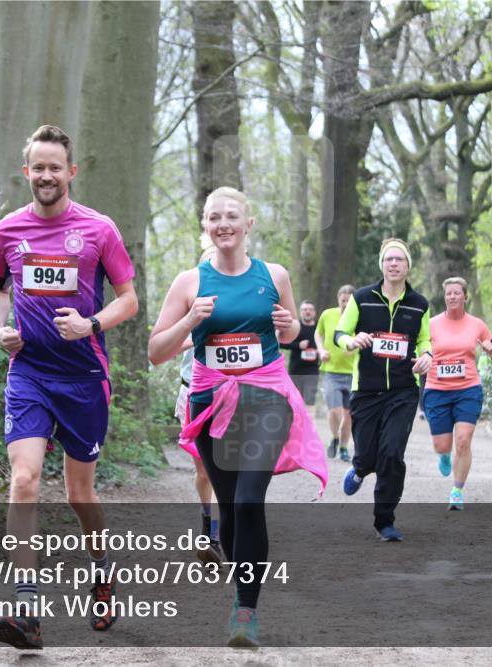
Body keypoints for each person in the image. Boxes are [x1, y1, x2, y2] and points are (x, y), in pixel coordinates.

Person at [148, 187, 327, 648]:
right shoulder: (189, 282)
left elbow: (289, 332)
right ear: (205, 225)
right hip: (211, 402)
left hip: (265, 398)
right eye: (214, 217)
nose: (223, 224)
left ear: (249, 224)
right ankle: (242, 578)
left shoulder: (274, 275)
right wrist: (190, 321)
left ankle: (245, 609)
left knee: (249, 501)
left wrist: (290, 327)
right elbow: (156, 352)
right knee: (228, 507)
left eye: (231, 216)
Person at [0, 125, 138, 649]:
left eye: (55, 167)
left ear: (70, 172)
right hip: (29, 371)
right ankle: (27, 610)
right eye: (38, 167)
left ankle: (102, 570)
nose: (46, 175)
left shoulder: (98, 229)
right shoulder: (8, 230)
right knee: (24, 479)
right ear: (25, 171)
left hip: (83, 377)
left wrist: (91, 324)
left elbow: (129, 300)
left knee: (79, 493)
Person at [334, 238, 431, 542]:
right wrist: (350, 341)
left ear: (407, 266)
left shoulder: (419, 304)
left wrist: (427, 355)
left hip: (404, 390)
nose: (393, 264)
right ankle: (360, 469)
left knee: (392, 453)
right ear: (382, 265)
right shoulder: (362, 298)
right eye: (388, 259)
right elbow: (340, 332)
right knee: (367, 455)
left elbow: (424, 339)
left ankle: (385, 521)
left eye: (399, 259)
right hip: (366, 389)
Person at [423, 277, 492, 510]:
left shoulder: (476, 325)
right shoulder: (431, 324)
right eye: (448, 293)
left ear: (465, 296)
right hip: (437, 390)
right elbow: (420, 349)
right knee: (442, 445)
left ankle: (457, 491)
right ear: (444, 297)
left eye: (457, 293)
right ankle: (444, 455)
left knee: (463, 440)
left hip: (468, 389)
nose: (452, 296)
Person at [174, 246, 225, 565]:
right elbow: (166, 344)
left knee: (223, 468)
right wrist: (197, 331)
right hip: (192, 392)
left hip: (229, 395)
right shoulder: (188, 303)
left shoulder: (242, 306)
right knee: (204, 471)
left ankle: (216, 536)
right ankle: (208, 522)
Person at [314, 285, 357, 461]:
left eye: (349, 301)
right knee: (335, 410)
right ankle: (336, 437)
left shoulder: (359, 317)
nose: (345, 304)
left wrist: (354, 347)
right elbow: (318, 333)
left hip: (353, 374)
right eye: (343, 300)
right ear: (338, 299)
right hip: (331, 372)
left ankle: (343, 447)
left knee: (348, 414)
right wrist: (321, 350)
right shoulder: (328, 314)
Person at [280, 300, 320, 407]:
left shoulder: (319, 328)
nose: (307, 312)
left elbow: (327, 343)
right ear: (300, 312)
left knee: (310, 401)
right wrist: (298, 345)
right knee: (294, 402)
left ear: (314, 312)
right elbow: (281, 343)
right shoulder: (295, 327)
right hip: (295, 370)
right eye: (305, 309)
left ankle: (310, 418)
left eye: (310, 309)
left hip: (312, 371)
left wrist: (320, 350)